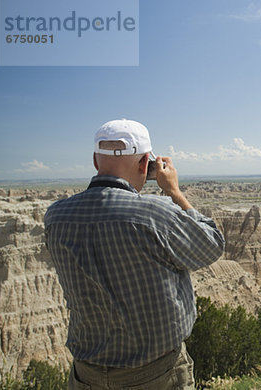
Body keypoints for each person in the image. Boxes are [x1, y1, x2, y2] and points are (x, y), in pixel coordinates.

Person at [44, 119, 225, 389]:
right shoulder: (156, 214)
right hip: (156, 375)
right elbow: (211, 244)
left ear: (95, 161)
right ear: (144, 164)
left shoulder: (56, 216)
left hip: (86, 375)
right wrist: (174, 191)